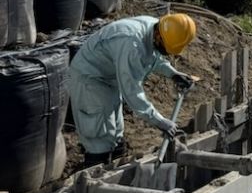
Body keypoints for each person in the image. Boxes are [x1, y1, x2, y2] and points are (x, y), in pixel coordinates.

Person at [67, 13, 197, 165]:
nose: (166, 53)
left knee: (115, 132)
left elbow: (153, 56)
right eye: (166, 49)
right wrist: (160, 121)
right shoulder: (132, 44)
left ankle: (115, 169)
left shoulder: (159, 28)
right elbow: (132, 92)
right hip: (90, 79)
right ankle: (94, 178)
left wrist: (173, 73)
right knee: (99, 137)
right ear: (158, 35)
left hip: (108, 77)